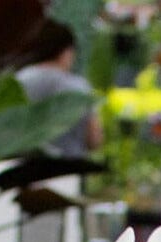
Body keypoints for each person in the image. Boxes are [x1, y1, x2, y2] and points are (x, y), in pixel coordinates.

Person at [15, 19, 103, 158]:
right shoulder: (78, 87)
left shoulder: (18, 80)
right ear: (65, 52)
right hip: (65, 169)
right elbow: (94, 139)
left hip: (19, 167)